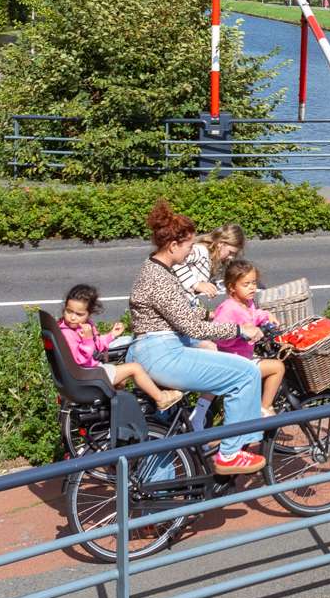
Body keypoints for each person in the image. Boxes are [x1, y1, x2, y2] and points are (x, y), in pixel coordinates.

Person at [127, 202, 269, 474]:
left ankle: (161, 485)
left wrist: (210, 316)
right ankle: (229, 454)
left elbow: (185, 315)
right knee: (245, 373)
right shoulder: (159, 279)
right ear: (173, 246)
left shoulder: (155, 269)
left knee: (167, 425)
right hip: (163, 354)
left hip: (154, 349)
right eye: (188, 245)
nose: (192, 250)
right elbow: (191, 327)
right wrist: (239, 330)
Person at [55, 283, 184, 410]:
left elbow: (95, 346)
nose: (72, 317)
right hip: (88, 376)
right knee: (135, 368)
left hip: (87, 373)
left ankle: (113, 405)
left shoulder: (82, 326)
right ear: (64, 308)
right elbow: (81, 360)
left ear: (89, 313)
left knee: (122, 378)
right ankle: (161, 398)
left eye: (79, 314)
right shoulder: (68, 334)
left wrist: (111, 335)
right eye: (69, 311)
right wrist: (87, 340)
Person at [213, 259, 289, 417]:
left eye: (254, 282)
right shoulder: (228, 308)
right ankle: (265, 408)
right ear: (232, 287)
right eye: (246, 284)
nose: (252, 287)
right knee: (277, 367)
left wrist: (266, 315)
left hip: (243, 357)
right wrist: (241, 335)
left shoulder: (247, 303)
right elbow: (218, 335)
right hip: (234, 361)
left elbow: (253, 316)